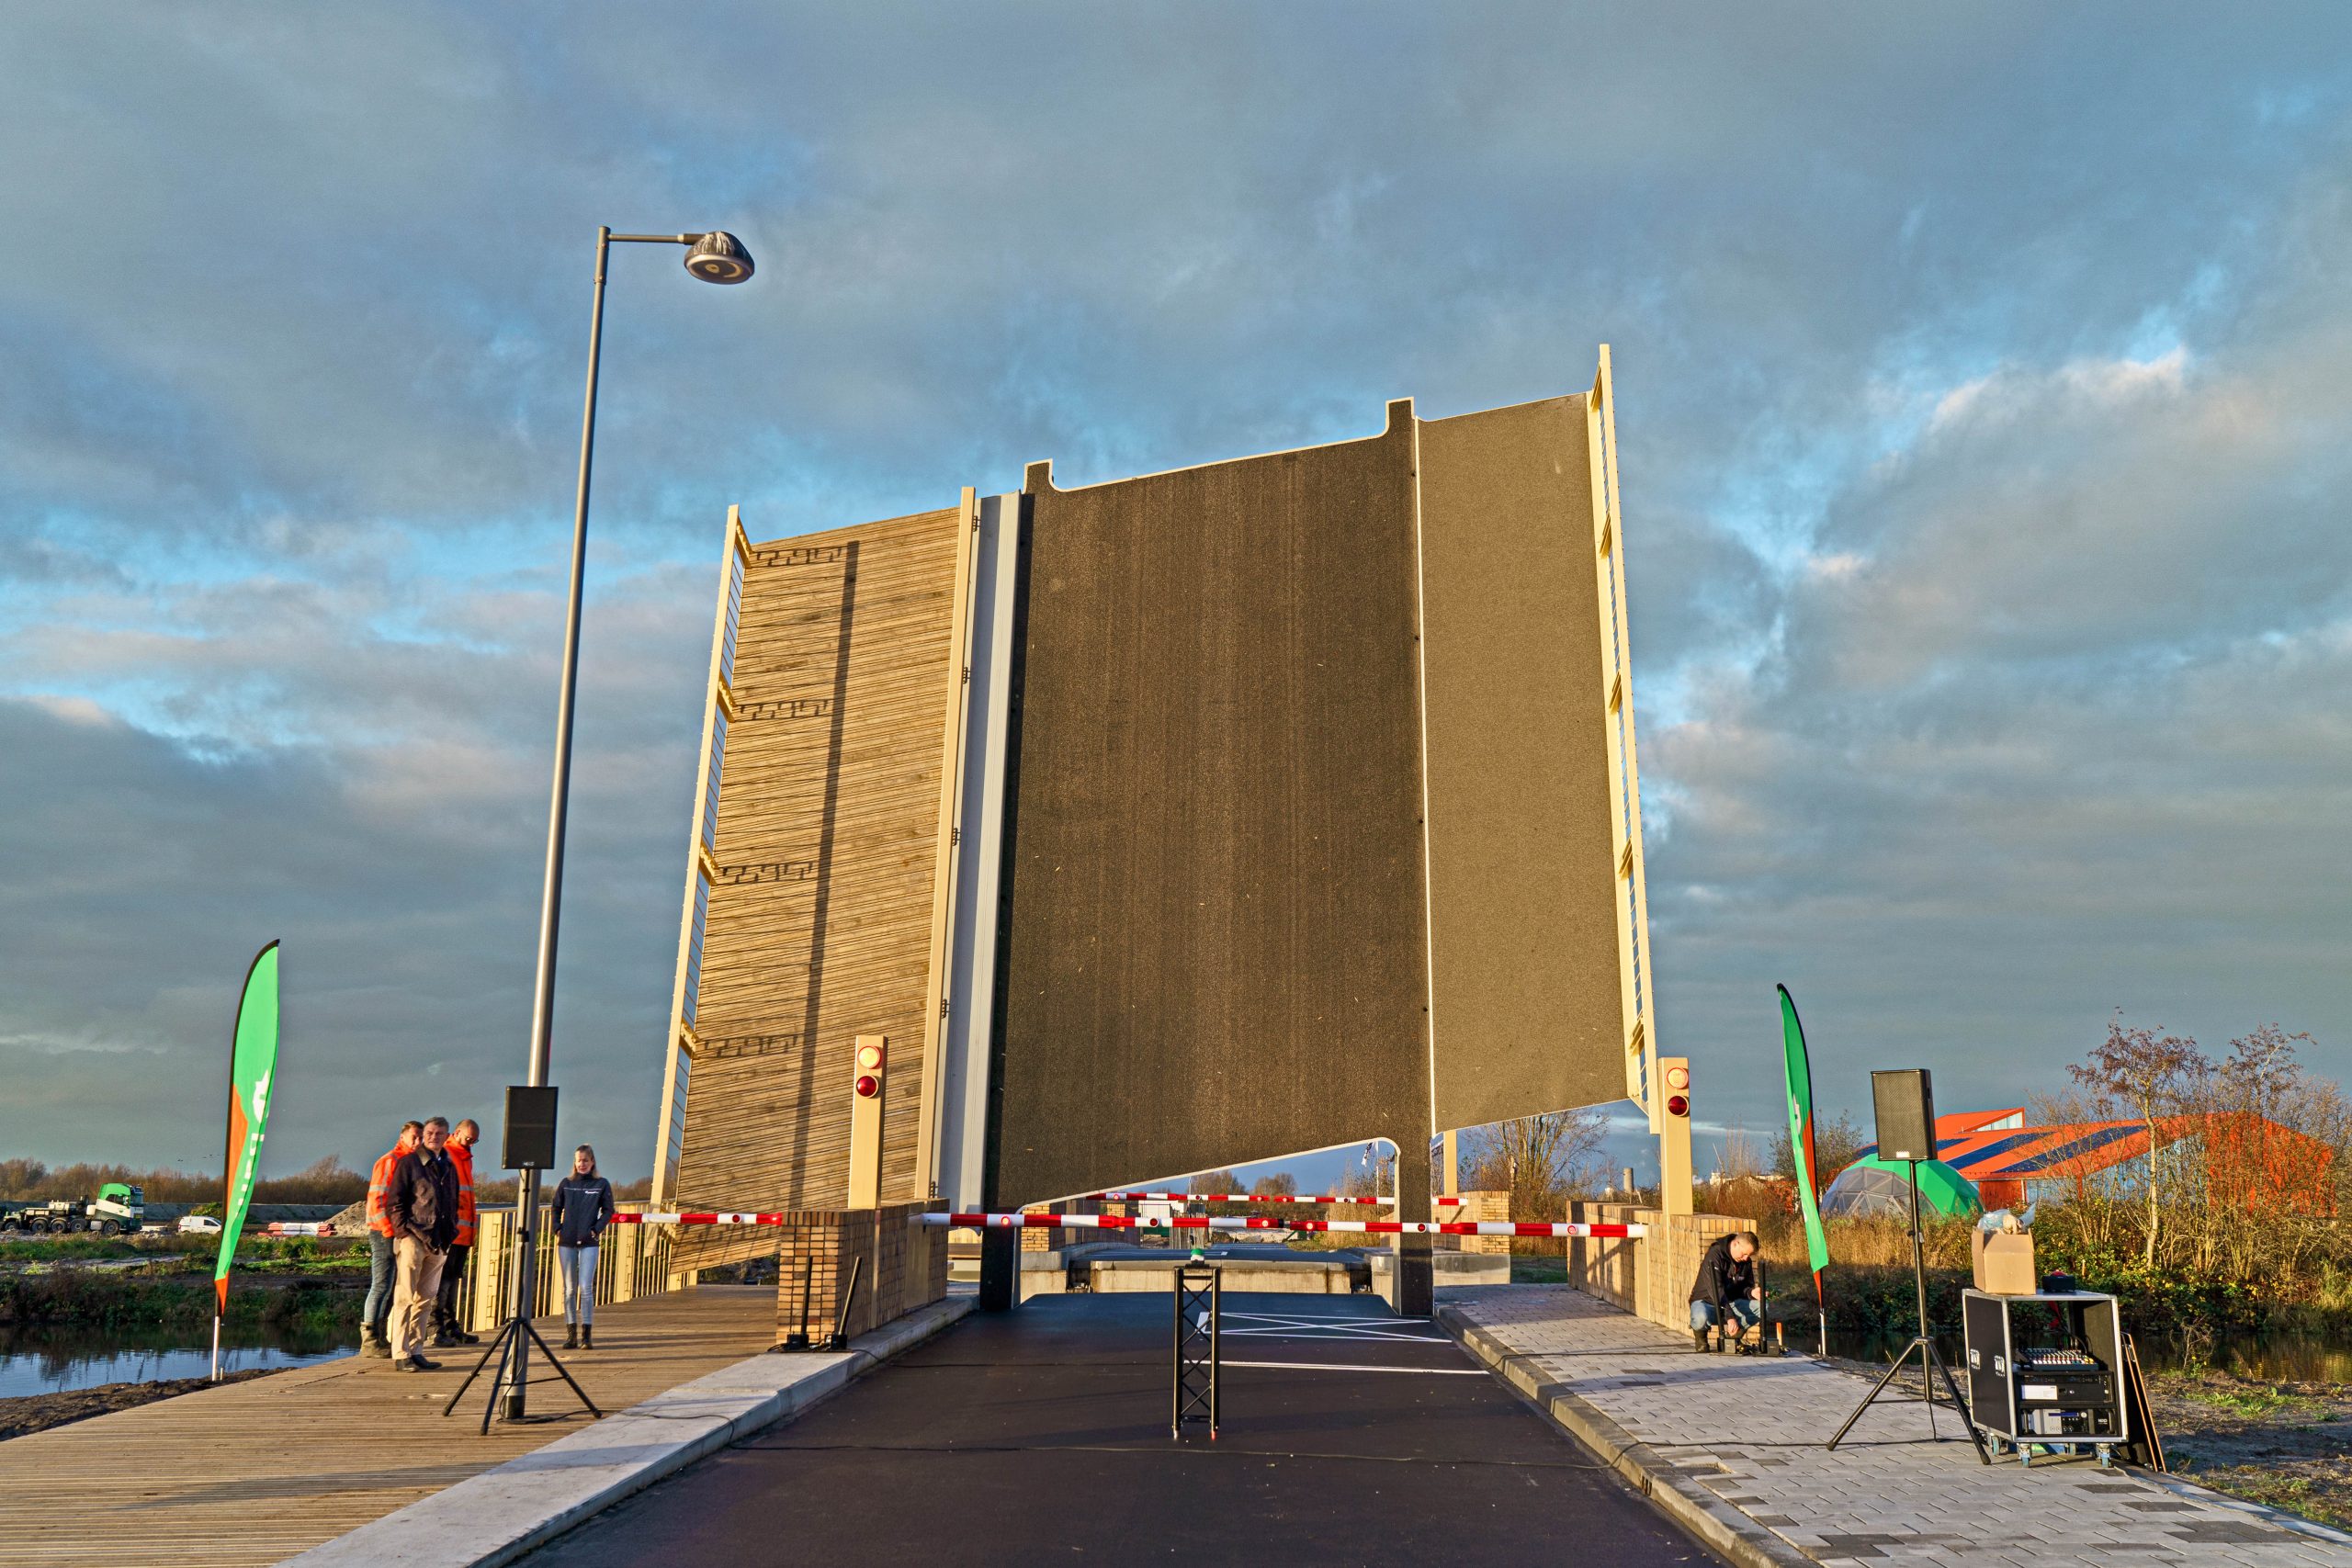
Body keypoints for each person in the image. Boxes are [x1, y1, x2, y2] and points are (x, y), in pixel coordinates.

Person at [385, 1116, 460, 1371]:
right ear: (424, 1134)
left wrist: (451, 1230)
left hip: (439, 1239)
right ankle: (400, 1352)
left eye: (439, 1133)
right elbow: (394, 1201)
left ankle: (417, 1349)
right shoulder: (410, 1163)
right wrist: (404, 1232)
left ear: (447, 1136)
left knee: (425, 1297)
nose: (433, 1136)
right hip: (414, 1236)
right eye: (430, 1132)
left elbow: (452, 1201)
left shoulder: (448, 1165)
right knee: (405, 1296)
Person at [361, 1122, 423, 1358]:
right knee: (381, 1284)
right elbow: (376, 1200)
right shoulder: (390, 1160)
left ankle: (381, 1338)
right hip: (383, 1231)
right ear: (403, 1137)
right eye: (414, 1137)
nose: (417, 1142)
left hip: (398, 1231)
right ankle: (370, 1339)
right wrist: (388, 1229)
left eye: (420, 1138)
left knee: (392, 1285)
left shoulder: (414, 1163)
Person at [550, 1144, 614, 1351]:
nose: (582, 1164)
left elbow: (608, 1210)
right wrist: (557, 1228)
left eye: (585, 1160)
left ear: (592, 1161)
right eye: (579, 1160)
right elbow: (555, 1207)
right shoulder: (566, 1183)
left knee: (585, 1288)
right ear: (574, 1162)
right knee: (569, 1289)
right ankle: (571, 1335)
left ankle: (587, 1335)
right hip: (567, 1241)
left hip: (589, 1241)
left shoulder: (601, 1184)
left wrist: (597, 1229)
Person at [433, 1118, 481, 1348]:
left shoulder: (465, 1158)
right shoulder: (448, 1155)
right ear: (457, 1133)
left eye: (475, 1140)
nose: (471, 1143)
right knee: (442, 1281)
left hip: (463, 1232)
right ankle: (437, 1328)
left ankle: (451, 1327)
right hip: (451, 1231)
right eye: (468, 1138)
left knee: (451, 1280)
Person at [1689, 1230, 1763, 1352]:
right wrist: (1730, 1317)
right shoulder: (1715, 1255)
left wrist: (1751, 1293)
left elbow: (1743, 1288)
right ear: (1735, 1244)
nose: (1746, 1258)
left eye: (1749, 1256)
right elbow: (1716, 1290)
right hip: (1706, 1302)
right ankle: (1701, 1339)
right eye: (1744, 1254)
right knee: (1700, 1317)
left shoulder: (1745, 1262)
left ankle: (1731, 1339)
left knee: (1761, 1307)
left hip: (1731, 1303)